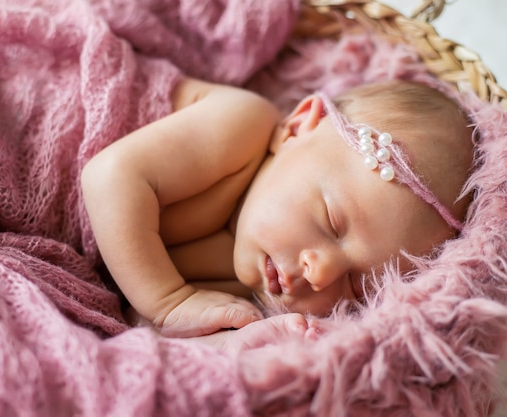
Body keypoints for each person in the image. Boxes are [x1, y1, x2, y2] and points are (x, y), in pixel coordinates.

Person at [81, 77, 474, 339]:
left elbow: (136, 320)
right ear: (298, 127)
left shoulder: (247, 287)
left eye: (356, 285)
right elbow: (107, 177)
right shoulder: (242, 125)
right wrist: (169, 302)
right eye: (332, 222)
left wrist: (235, 336)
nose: (321, 274)